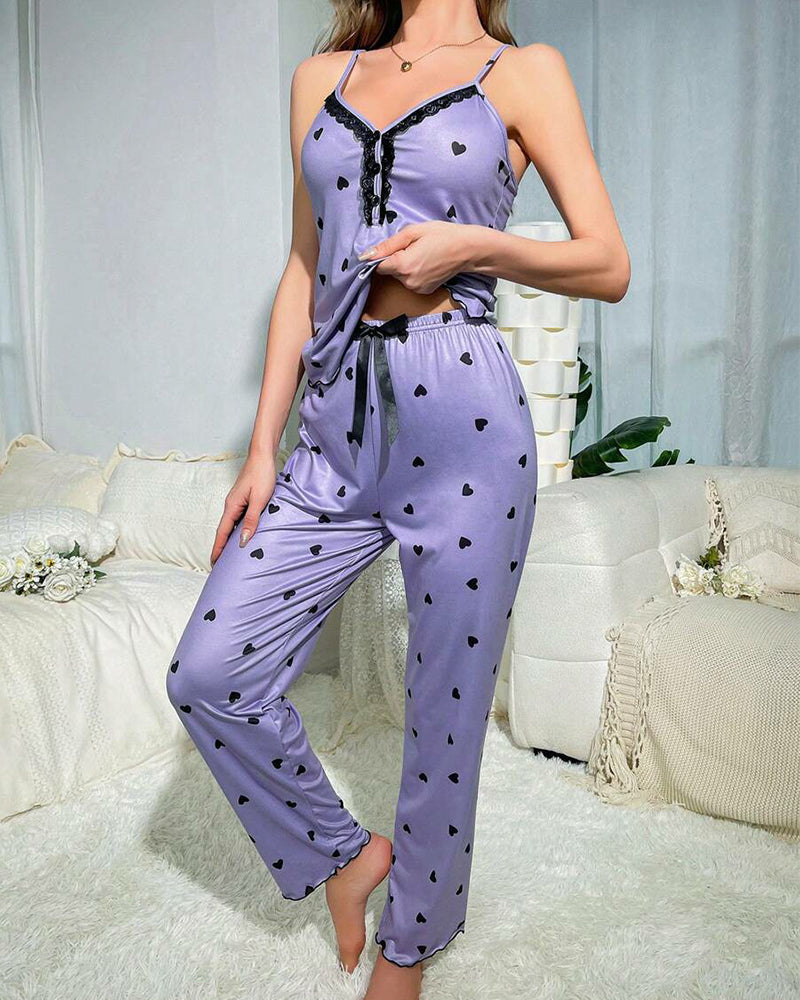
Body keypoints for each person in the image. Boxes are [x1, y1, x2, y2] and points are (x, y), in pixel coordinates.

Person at [166, 1, 629, 997]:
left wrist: (473, 248)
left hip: (464, 418)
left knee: (443, 710)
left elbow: (607, 262)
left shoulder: (524, 72)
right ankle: (343, 855)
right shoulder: (320, 79)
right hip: (333, 420)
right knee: (209, 673)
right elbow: (304, 266)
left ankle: (409, 947)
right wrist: (261, 449)